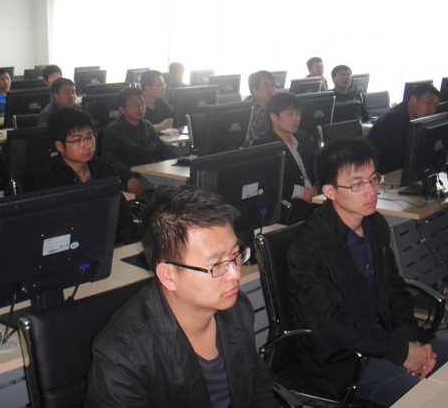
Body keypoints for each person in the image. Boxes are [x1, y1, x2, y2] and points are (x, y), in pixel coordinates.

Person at [288, 137, 448, 407]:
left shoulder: (375, 224)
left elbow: (395, 288)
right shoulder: (309, 247)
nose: (370, 191)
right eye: (357, 184)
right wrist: (400, 352)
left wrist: (408, 341)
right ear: (330, 191)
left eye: (373, 180)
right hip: (345, 357)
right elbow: (332, 325)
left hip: (388, 338)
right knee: (431, 400)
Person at [84, 185, 277, 407]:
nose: (235, 273)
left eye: (235, 254)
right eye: (216, 265)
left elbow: (259, 390)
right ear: (168, 275)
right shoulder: (123, 356)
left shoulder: (237, 308)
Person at [33, 107, 137, 244]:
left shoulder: (105, 170)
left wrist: (124, 244)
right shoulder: (49, 180)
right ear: (60, 146)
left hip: (111, 246)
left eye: (89, 137)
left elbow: (123, 217)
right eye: (77, 140)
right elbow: (50, 230)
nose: (87, 146)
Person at [368, 83, 448, 174]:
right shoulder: (392, 121)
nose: (432, 109)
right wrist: (444, 158)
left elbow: (429, 146)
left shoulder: (418, 119)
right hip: (384, 176)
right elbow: (402, 160)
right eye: (428, 103)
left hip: (403, 174)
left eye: (435, 105)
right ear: (413, 100)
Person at [100, 87, 175, 198]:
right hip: (132, 178)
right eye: (133, 104)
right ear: (122, 109)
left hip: (152, 173)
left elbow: (161, 148)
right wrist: (128, 178)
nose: (140, 108)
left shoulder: (147, 126)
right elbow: (110, 159)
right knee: (168, 192)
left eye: (142, 104)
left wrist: (178, 162)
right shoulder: (113, 130)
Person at [255, 92, 317, 224]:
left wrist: (318, 184)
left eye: (298, 114)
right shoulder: (265, 146)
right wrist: (302, 192)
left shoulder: (301, 137)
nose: (296, 118)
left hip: (315, 198)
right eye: (290, 114)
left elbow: (315, 165)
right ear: (274, 117)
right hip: (291, 206)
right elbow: (268, 184)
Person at [244, 70, 276, 146]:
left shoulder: (275, 105)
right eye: (265, 86)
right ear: (254, 90)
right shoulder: (251, 110)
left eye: (272, 86)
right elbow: (249, 141)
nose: (271, 90)